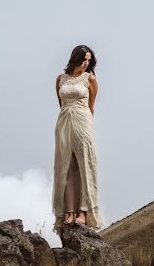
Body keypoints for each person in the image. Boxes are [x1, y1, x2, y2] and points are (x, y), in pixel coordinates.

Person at [52, 44, 105, 233]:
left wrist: (85, 123)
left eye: (89, 60)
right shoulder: (61, 79)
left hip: (83, 121)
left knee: (85, 165)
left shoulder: (89, 78)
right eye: (84, 59)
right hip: (64, 122)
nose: (86, 63)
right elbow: (61, 103)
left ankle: (83, 211)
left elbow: (92, 106)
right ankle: (68, 211)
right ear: (75, 58)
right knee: (65, 166)